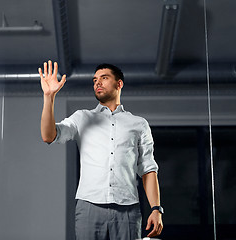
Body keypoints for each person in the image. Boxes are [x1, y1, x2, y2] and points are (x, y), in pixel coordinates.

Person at [39, 60, 163, 240]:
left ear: (119, 84)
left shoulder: (139, 124)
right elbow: (48, 135)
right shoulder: (82, 117)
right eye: (95, 80)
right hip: (89, 207)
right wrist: (49, 97)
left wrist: (156, 208)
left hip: (128, 210)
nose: (97, 82)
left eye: (104, 78)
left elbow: (148, 169)